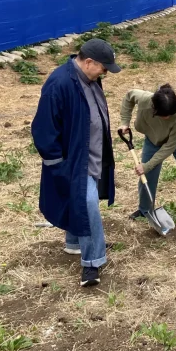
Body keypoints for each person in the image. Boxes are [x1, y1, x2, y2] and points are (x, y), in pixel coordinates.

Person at [31, 38, 121, 287]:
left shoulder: (91, 78)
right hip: (74, 162)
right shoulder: (59, 84)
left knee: (82, 201)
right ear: (88, 61)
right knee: (87, 203)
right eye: (104, 67)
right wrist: (57, 163)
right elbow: (43, 129)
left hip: (91, 155)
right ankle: (92, 262)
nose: (106, 73)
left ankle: (74, 243)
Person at [119, 84, 176, 226]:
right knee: (148, 175)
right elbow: (129, 96)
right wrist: (124, 122)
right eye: (165, 115)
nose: (168, 117)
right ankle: (145, 210)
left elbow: (169, 147)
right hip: (153, 139)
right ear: (154, 108)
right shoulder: (146, 99)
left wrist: (148, 165)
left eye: (171, 114)